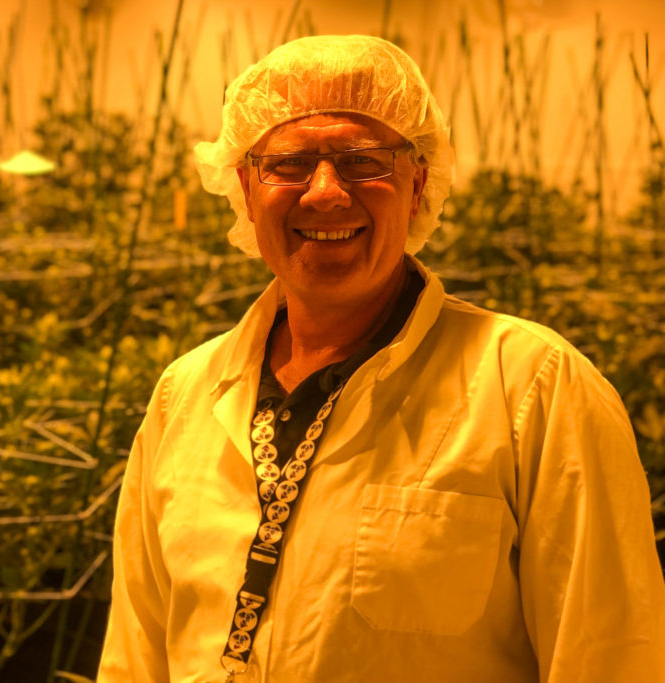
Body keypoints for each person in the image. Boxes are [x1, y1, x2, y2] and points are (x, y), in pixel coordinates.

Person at [96, 35, 665, 682]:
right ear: (246, 190)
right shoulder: (186, 395)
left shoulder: (530, 387)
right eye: (288, 164)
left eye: (363, 160)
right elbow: (135, 654)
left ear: (418, 182)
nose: (326, 192)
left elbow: (612, 655)